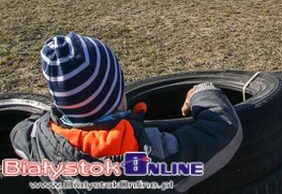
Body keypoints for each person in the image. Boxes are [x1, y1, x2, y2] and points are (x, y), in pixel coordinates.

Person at [10, 32, 243, 191]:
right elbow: (223, 132)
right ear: (118, 96)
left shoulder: (38, 141)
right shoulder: (142, 153)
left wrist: (51, 118)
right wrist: (201, 92)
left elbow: (18, 132)